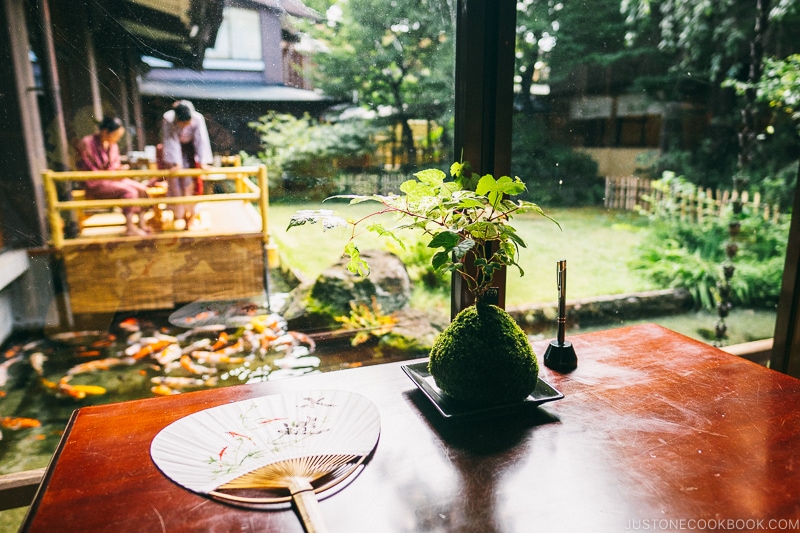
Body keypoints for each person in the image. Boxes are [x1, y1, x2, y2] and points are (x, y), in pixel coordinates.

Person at [76, 117, 150, 236]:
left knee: (142, 189)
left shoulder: (113, 145)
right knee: (129, 191)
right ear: (105, 131)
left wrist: (119, 170)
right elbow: (89, 168)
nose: (118, 138)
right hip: (95, 182)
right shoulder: (87, 143)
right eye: (116, 135)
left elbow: (115, 164)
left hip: (113, 178)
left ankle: (141, 224)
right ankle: (130, 227)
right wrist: (111, 174)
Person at [161, 100, 213, 229]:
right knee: (175, 186)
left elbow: (201, 140)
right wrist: (176, 162)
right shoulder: (168, 118)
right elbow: (170, 141)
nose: (184, 125)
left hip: (191, 154)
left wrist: (202, 162)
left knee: (192, 185)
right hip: (173, 157)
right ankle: (180, 215)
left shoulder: (197, 118)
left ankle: (191, 216)